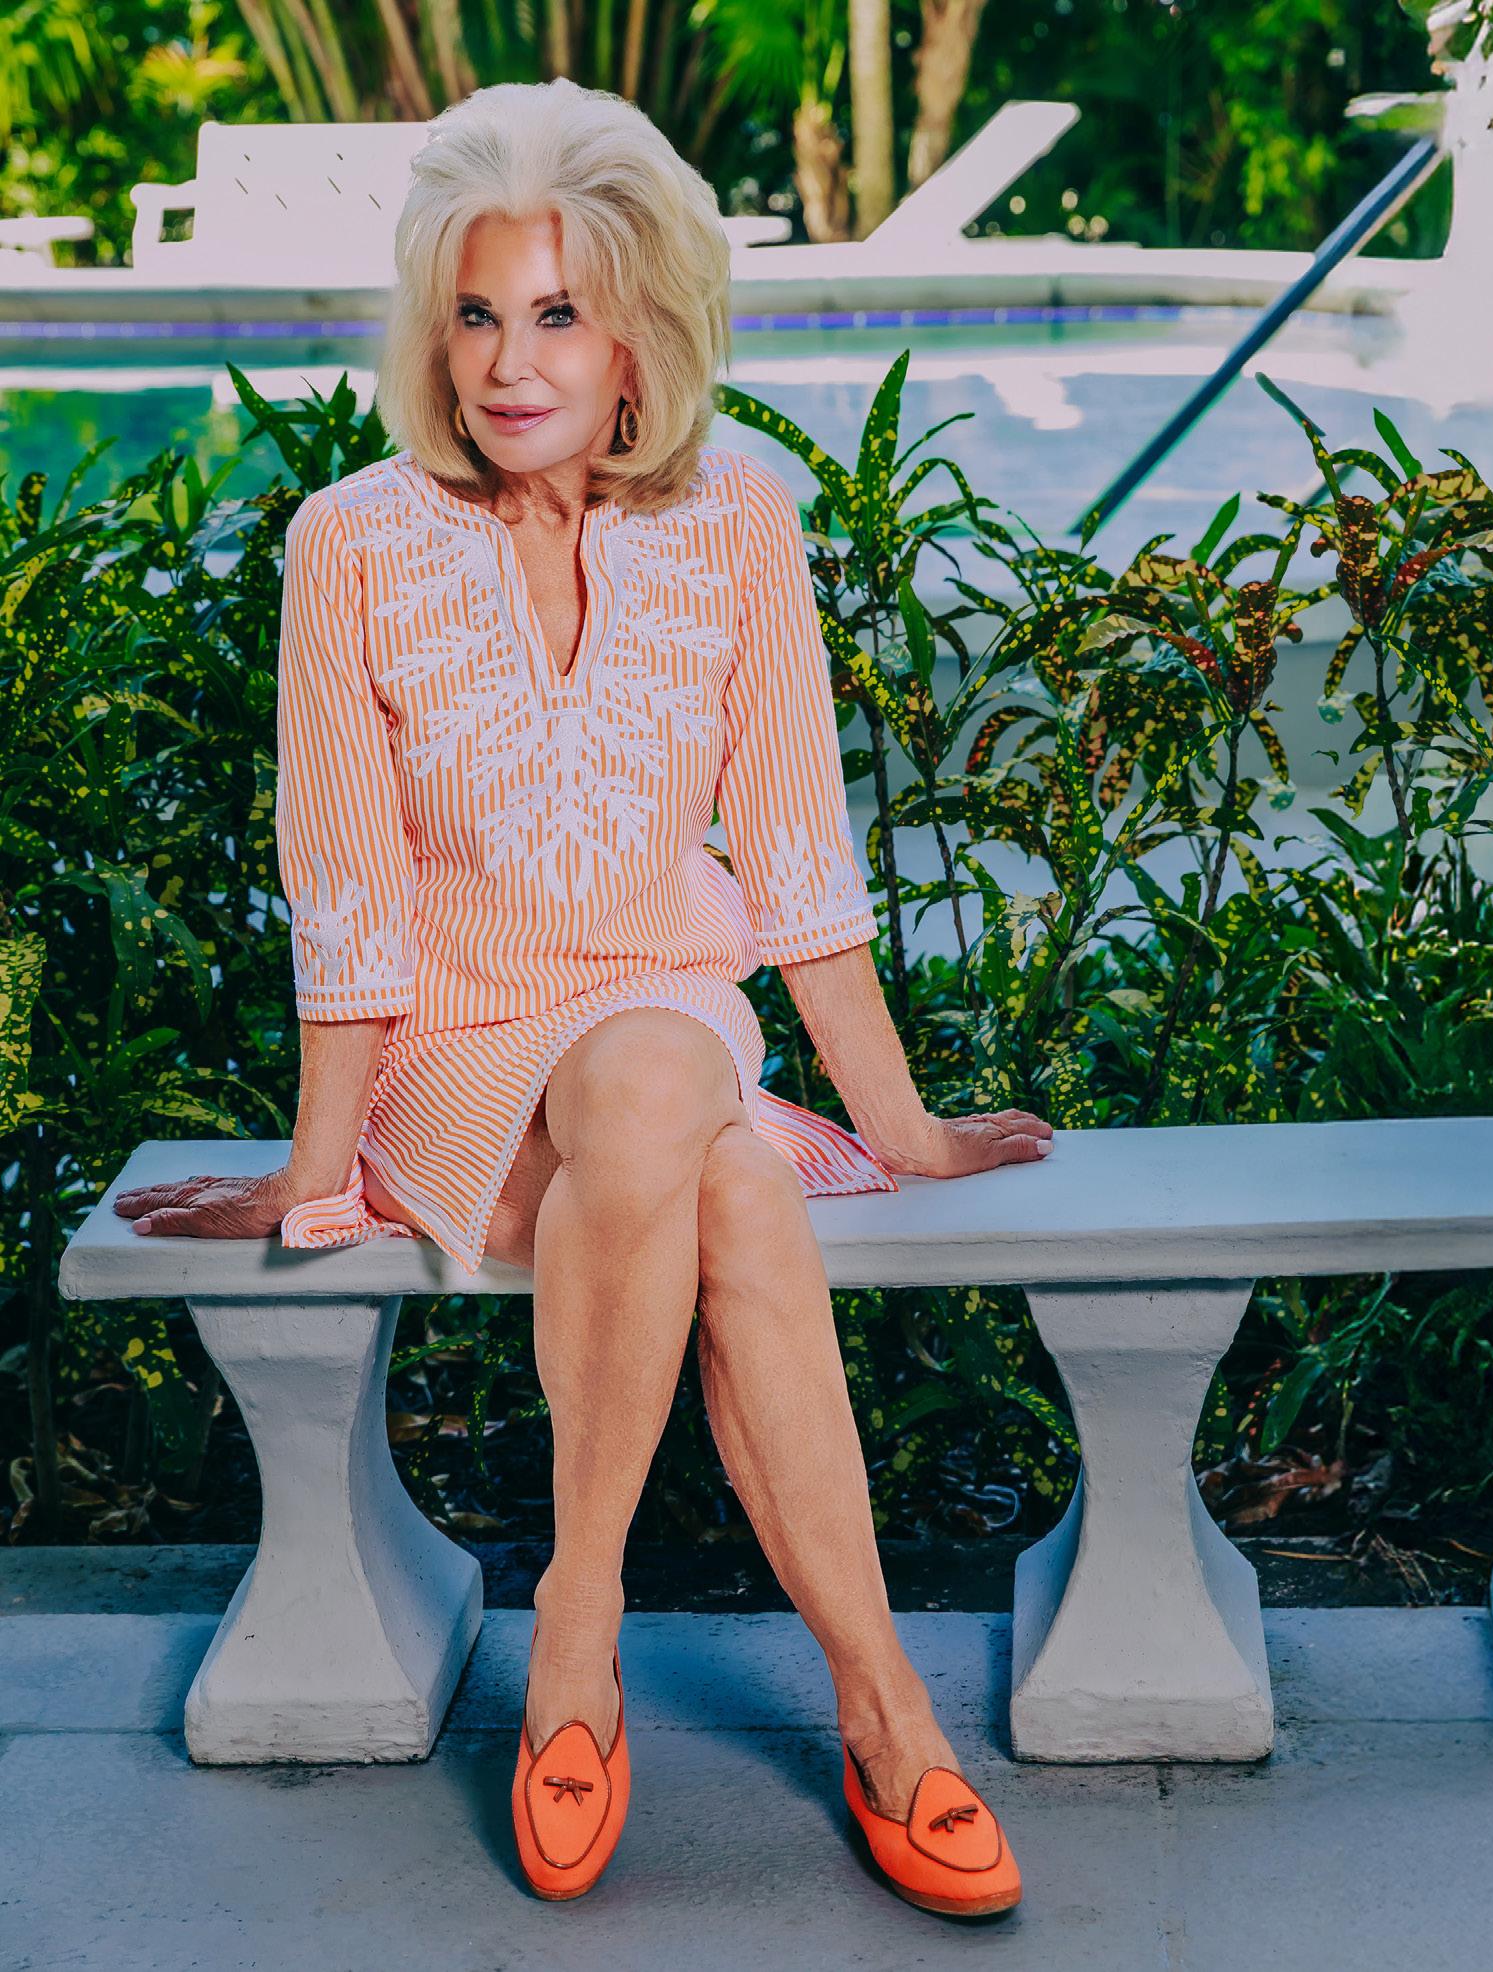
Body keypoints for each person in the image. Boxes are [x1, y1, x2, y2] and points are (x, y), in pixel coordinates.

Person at [113, 77, 1052, 1918]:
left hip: (661, 1011)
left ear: (639, 329)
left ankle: (576, 1620)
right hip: (457, 1050)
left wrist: (905, 1124)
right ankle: (880, 1713)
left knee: (645, 1074)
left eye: (556, 311)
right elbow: (345, 888)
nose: (507, 361)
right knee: (732, 1196)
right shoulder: (350, 542)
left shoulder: (737, 523)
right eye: (474, 313)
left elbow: (796, 859)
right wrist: (316, 1165)